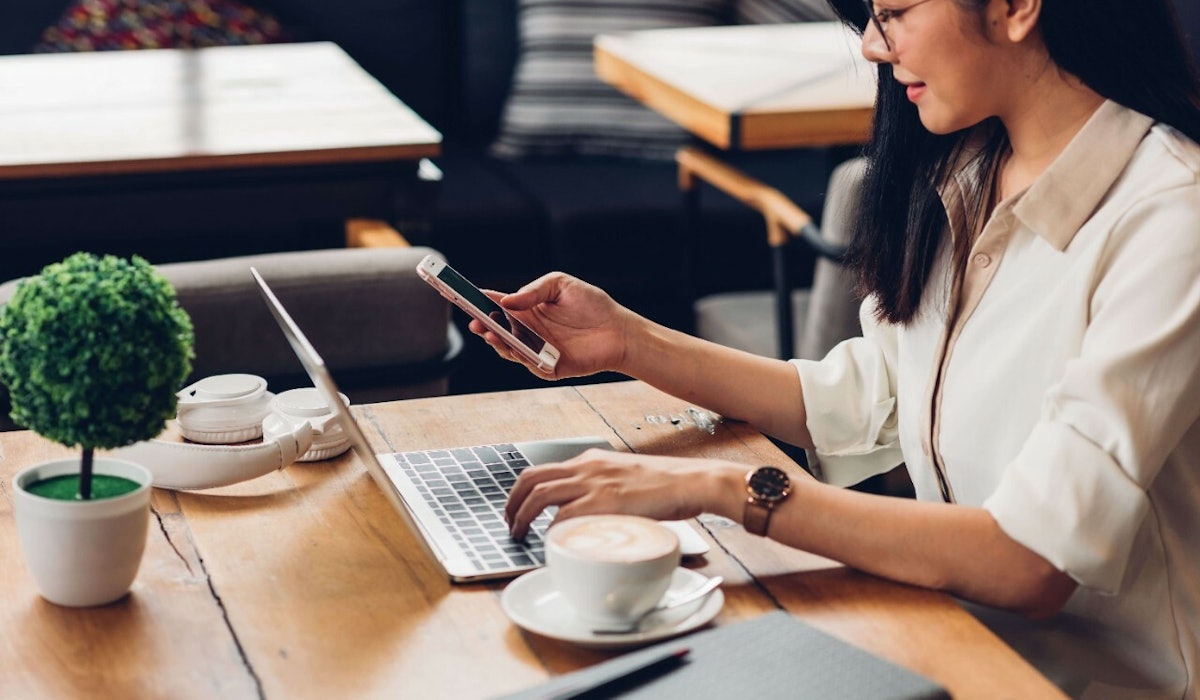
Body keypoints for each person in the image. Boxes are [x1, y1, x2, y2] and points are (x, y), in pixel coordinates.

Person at [473, 0, 1200, 695]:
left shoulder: (1171, 221)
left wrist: (729, 490)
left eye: (893, 15)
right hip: (945, 640)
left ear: (1015, 7)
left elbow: (1031, 561)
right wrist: (629, 340)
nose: (872, 47)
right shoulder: (970, 170)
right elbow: (864, 397)